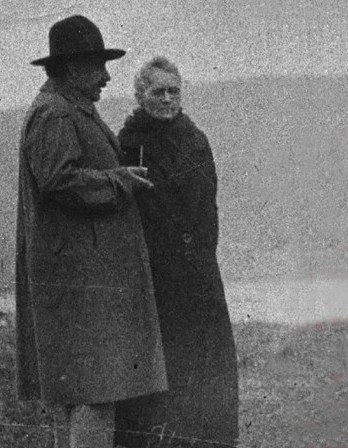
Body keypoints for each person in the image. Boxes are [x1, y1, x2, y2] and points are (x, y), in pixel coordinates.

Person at [15, 16, 167, 448]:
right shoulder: (55, 113)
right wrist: (119, 181)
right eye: (97, 65)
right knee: (94, 395)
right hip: (81, 286)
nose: (106, 76)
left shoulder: (70, 108)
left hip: (85, 283)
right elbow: (58, 180)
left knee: (88, 395)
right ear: (69, 67)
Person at [114, 56, 238, 448]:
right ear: (140, 95)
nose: (167, 99)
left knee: (207, 372)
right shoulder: (129, 145)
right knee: (160, 379)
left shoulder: (195, 139)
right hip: (155, 280)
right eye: (158, 91)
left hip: (199, 276)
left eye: (174, 91)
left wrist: (200, 256)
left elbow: (208, 207)